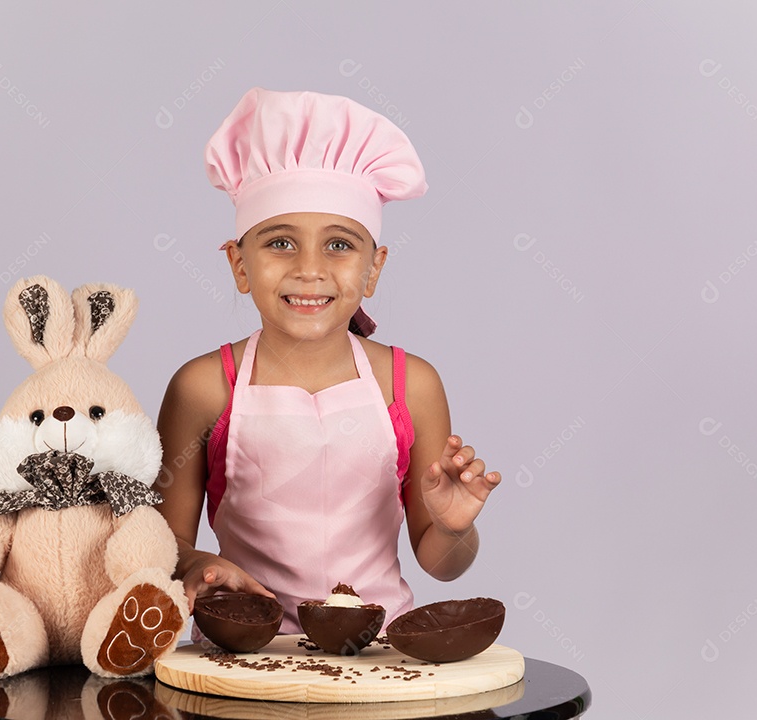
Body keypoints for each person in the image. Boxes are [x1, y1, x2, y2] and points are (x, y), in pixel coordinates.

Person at [155, 87, 501, 634]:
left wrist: (453, 528)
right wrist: (197, 564)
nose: (310, 269)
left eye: (339, 244)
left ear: (374, 267)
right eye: (280, 243)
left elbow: (440, 565)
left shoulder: (411, 386)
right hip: (246, 660)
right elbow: (157, 545)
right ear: (239, 265)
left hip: (379, 664)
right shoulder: (203, 388)